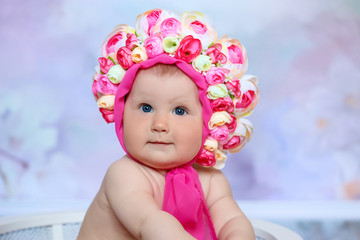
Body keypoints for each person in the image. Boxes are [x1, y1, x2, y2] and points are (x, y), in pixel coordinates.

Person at [78, 9, 259, 240]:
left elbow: (232, 221)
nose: (160, 124)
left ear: (208, 124)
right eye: (146, 108)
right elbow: (152, 223)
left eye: (180, 111)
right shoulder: (124, 174)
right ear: (122, 113)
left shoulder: (211, 181)